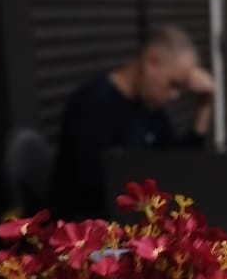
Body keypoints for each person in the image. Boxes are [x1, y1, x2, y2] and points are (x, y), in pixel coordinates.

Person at [51, 26, 214, 218]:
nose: (174, 95)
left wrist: (204, 106)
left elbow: (177, 164)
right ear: (152, 62)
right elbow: (95, 188)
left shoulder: (149, 107)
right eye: (173, 84)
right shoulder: (93, 104)